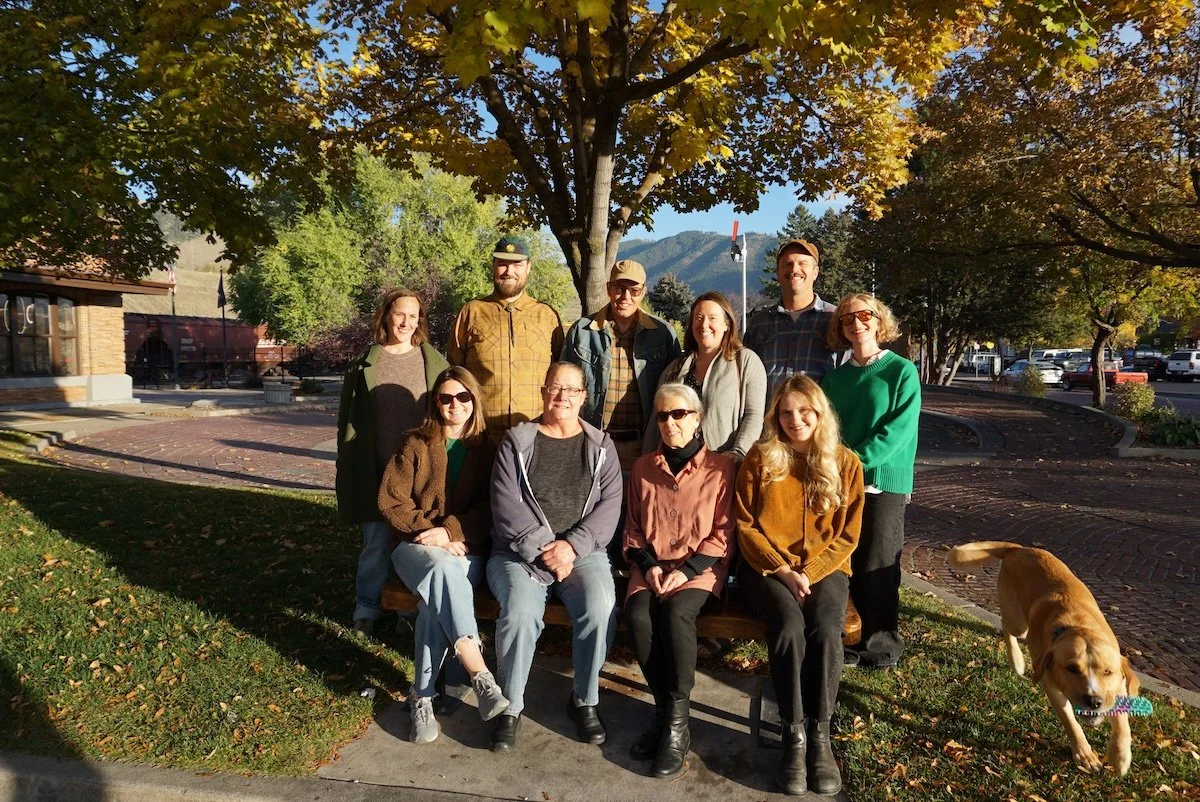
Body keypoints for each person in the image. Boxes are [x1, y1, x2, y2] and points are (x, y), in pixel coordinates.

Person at [735, 375, 864, 797]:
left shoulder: (845, 463)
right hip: (766, 569)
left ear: (820, 412)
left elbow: (848, 535)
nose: (795, 420)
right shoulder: (761, 459)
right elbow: (745, 526)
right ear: (775, 416)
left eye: (804, 410)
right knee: (789, 627)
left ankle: (820, 735)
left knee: (826, 630)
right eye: (786, 412)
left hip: (827, 569)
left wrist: (811, 570)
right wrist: (782, 569)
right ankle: (793, 734)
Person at [486, 362, 622, 752]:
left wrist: (572, 547)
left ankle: (585, 698)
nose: (562, 396)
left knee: (600, 606)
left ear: (584, 397)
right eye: (555, 388)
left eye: (571, 390)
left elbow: (610, 507)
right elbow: (506, 506)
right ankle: (510, 706)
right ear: (543, 392)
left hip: (582, 553)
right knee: (520, 612)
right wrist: (548, 549)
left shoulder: (601, 446)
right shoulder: (517, 442)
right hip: (519, 554)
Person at [377, 367, 507, 742]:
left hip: (465, 550)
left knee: (433, 602)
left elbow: (493, 508)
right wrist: (430, 534)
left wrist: (450, 531)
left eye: (463, 396)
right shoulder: (415, 444)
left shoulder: (488, 450)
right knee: (440, 567)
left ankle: (422, 696)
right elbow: (391, 502)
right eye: (446, 397)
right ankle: (478, 670)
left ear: (474, 400)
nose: (455, 404)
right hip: (413, 548)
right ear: (436, 402)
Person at [623, 383, 736, 779]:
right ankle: (663, 710)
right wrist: (650, 566)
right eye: (662, 416)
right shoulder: (643, 468)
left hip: (698, 570)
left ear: (697, 419)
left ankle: (677, 724)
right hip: (652, 567)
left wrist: (685, 572)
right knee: (638, 616)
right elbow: (633, 528)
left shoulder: (720, 469)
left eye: (679, 414)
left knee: (676, 616)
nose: (670, 423)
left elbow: (723, 534)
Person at [336, 289, 449, 636]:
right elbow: (347, 419)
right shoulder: (365, 363)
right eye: (400, 314)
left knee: (414, 540)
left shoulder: (434, 362)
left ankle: (407, 609)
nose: (406, 322)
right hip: (376, 467)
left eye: (413, 316)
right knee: (376, 543)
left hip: (419, 472)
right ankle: (367, 608)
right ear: (386, 315)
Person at [821, 293, 920, 670]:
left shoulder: (901, 372)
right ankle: (850, 636)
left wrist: (851, 462)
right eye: (847, 319)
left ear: (880, 321)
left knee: (878, 564)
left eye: (865, 315)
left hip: (882, 483)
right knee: (844, 561)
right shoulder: (835, 379)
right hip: (840, 484)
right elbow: (826, 431)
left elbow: (897, 432)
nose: (856, 323)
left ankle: (881, 647)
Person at [561, 259, 680, 470]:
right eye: (619, 288)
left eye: (634, 291)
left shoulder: (663, 335)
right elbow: (563, 388)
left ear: (643, 292)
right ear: (608, 288)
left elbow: (676, 391)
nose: (626, 297)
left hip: (646, 445)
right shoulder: (581, 331)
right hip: (592, 442)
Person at [448, 236, 565, 442]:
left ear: (528, 267)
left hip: (535, 436)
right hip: (480, 436)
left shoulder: (547, 315)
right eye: (502, 264)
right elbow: (454, 372)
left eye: (517, 264)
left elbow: (559, 377)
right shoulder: (472, 312)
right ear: (493, 266)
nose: (509, 271)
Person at [646, 291, 766, 460]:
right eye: (699, 318)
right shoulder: (674, 369)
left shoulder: (746, 362)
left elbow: (754, 415)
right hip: (676, 466)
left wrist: (738, 453)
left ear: (727, 324)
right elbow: (656, 421)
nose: (704, 325)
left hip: (724, 465)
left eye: (712, 318)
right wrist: (648, 461)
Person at [743, 239, 838, 401]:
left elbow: (848, 375)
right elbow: (746, 378)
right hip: (769, 417)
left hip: (820, 416)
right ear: (777, 272)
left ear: (815, 272)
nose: (794, 269)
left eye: (802, 263)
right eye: (787, 264)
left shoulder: (835, 319)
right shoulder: (759, 323)